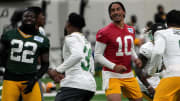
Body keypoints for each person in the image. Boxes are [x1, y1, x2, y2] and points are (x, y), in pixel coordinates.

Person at [94, 1, 143, 101]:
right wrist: (114, 66)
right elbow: (97, 55)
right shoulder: (104, 32)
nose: (116, 12)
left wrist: (136, 59)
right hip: (111, 74)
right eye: (112, 11)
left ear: (124, 12)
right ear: (110, 15)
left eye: (118, 9)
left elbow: (130, 47)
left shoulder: (131, 30)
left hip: (128, 74)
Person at [0, 7, 50, 101]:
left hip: (30, 79)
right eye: (26, 16)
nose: (29, 18)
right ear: (21, 18)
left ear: (36, 20)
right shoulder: (9, 34)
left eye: (32, 17)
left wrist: (35, 78)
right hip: (11, 79)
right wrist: (3, 67)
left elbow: (46, 64)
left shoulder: (43, 40)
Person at [48, 12, 96, 101]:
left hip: (75, 85)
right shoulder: (85, 41)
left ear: (69, 24)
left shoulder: (71, 38)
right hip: (90, 86)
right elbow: (91, 67)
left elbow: (77, 55)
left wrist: (58, 70)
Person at [148, 10, 180, 101]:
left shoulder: (162, 33)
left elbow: (158, 52)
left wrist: (152, 71)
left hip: (173, 75)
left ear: (166, 23)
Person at [135, 23, 167, 101]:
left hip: (156, 80)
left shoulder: (164, 46)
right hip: (146, 82)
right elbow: (138, 70)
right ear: (153, 34)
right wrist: (148, 86)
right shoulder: (147, 48)